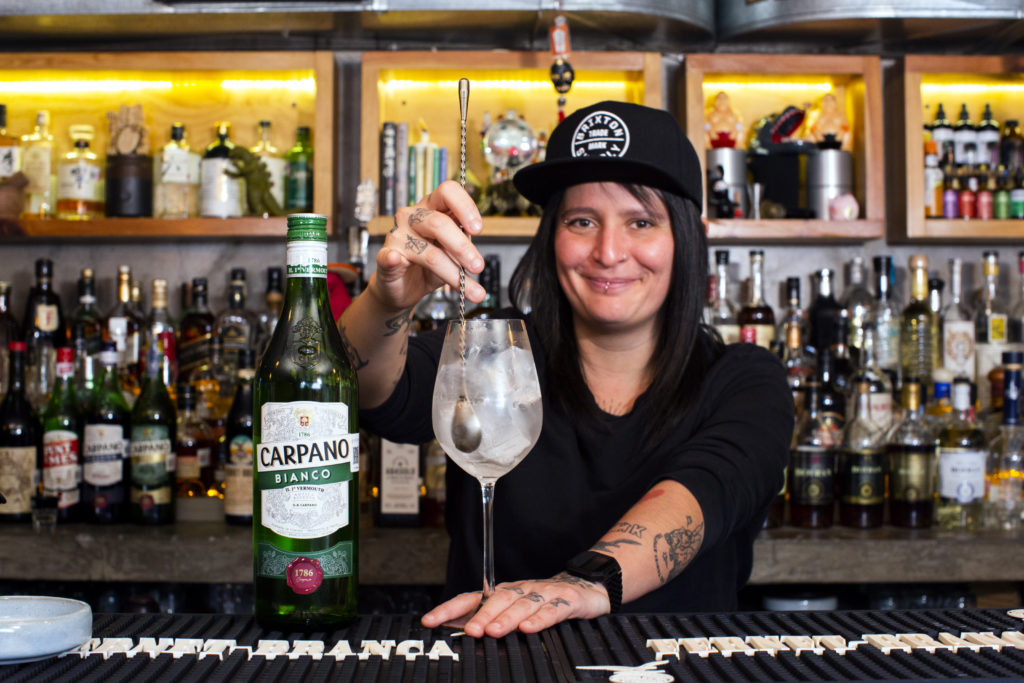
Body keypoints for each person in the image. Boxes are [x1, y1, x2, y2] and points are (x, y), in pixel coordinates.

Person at [338, 101, 793, 638]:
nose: (608, 251)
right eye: (582, 221)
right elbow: (366, 392)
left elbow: (703, 492)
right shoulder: (494, 352)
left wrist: (587, 583)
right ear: (551, 236)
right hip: (499, 666)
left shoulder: (744, 380)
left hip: (679, 667)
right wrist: (386, 301)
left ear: (690, 236)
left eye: (641, 222)